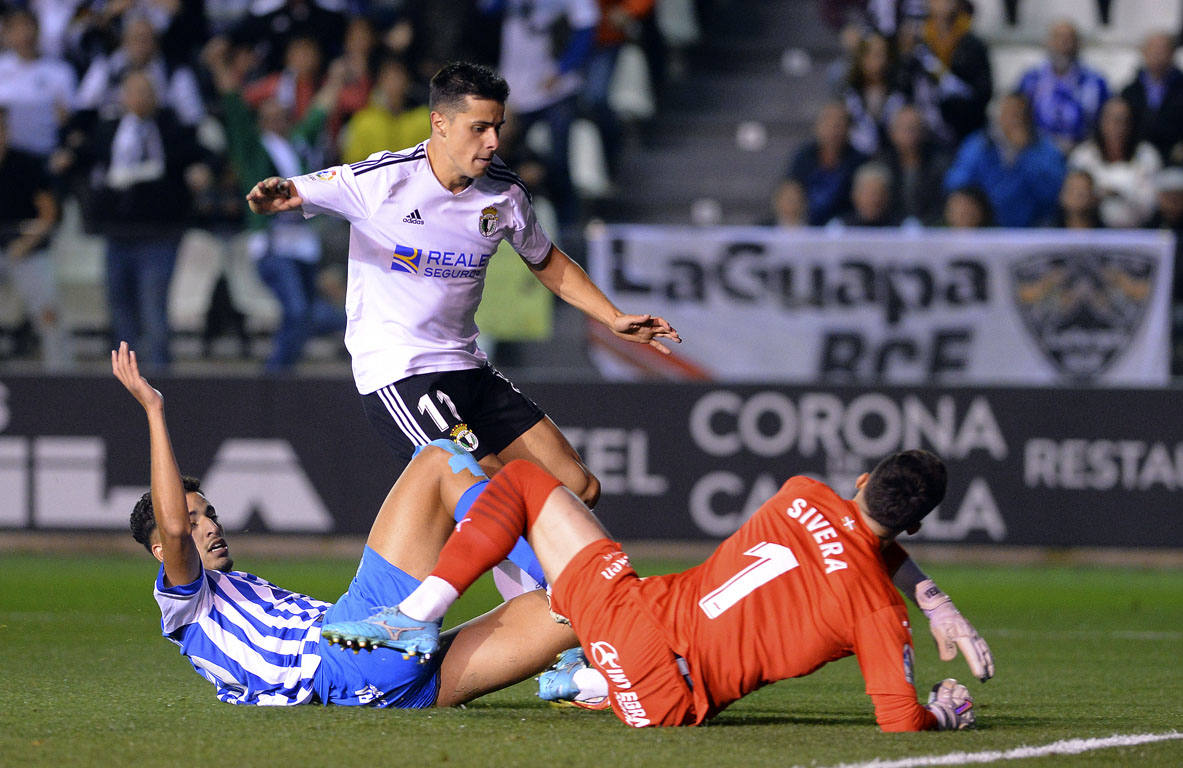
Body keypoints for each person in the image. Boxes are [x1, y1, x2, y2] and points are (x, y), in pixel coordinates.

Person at [245, 61, 680, 506]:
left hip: (466, 365)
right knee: (494, 497)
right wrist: (270, 197)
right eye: (479, 128)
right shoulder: (381, 181)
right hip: (402, 372)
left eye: (497, 127)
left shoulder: (505, 194)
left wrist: (613, 317)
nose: (493, 142)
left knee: (579, 486)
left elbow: (545, 259)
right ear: (440, 123)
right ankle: (515, 579)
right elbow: (289, 193)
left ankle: (498, 573)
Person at [323, 453, 994, 730]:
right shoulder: (877, 610)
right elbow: (897, 719)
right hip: (664, 705)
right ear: (913, 523)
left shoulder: (801, 494)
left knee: (525, 483)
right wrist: (943, 711)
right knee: (587, 611)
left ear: (860, 479)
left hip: (628, 621)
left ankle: (419, 614)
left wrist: (926, 592)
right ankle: (595, 683)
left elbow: (854, 534)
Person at [111, 340, 576, 708]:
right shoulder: (183, 605)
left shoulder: (234, 592)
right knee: (439, 457)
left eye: (209, 513)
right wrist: (153, 410)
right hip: (346, 652)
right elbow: (172, 530)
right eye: (194, 520)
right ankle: (551, 570)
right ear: (160, 554)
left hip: (383, 688)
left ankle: (599, 669)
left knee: (573, 613)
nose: (209, 526)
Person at [0, 107, 73, 369]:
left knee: (48, 312)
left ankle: (61, 375)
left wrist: (25, 243)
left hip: (26, 249)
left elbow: (48, 214)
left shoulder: (25, 164)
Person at [944, 93, 1066, 228]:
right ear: (999, 116)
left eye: (1020, 113)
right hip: (984, 228)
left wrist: (1026, 153)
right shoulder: (979, 145)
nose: (1015, 119)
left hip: (1034, 228)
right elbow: (957, 184)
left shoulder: (1046, 149)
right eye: (1010, 113)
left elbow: (1054, 194)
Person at [1067, 96, 1162, 228]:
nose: (1118, 126)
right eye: (1112, 119)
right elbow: (1073, 198)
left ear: (1132, 123)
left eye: (1124, 120)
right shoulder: (1083, 155)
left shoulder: (1147, 156)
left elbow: (1151, 204)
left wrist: (1118, 193)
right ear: (1100, 121)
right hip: (1093, 232)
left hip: (1139, 230)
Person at [1016, 20, 1109, 154]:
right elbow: (1016, 115)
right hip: (1037, 151)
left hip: (1083, 152)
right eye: (1058, 37)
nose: (1063, 44)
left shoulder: (1096, 82)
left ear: (1078, 44)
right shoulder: (1031, 79)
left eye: (1069, 38)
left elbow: (1105, 120)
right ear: (1048, 42)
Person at [785, 101, 867, 226]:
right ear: (818, 126)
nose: (833, 129)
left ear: (849, 129)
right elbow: (791, 189)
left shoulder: (859, 161)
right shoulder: (804, 156)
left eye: (839, 124)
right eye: (828, 122)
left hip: (846, 227)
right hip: (806, 224)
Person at [1120, 32, 1183, 166]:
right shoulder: (1129, 91)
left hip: (1175, 160)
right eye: (1153, 49)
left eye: (1163, 49)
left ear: (1172, 54)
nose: (1158, 54)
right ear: (1143, 52)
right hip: (1135, 158)